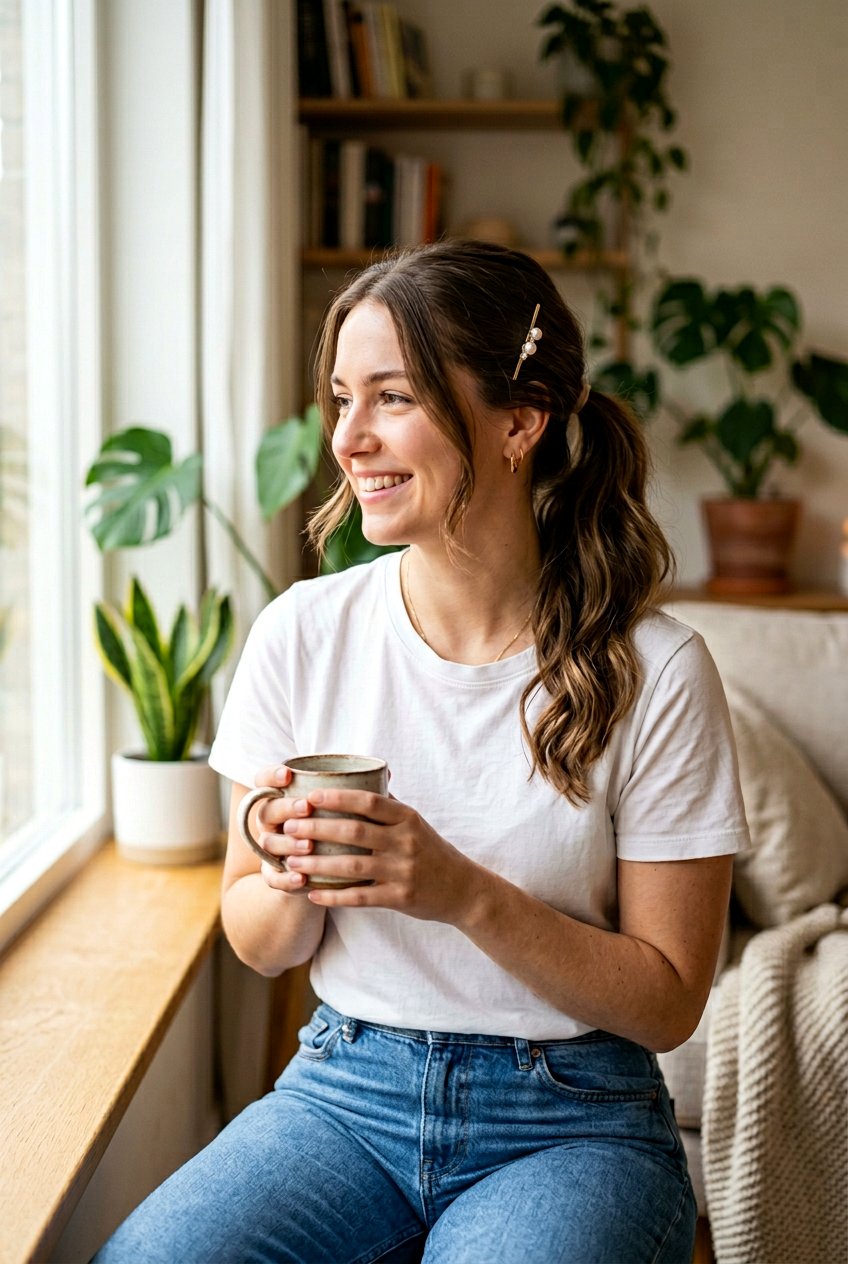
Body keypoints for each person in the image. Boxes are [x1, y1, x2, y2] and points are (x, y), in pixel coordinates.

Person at [95, 240, 748, 1263]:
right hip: (344, 1092)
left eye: (389, 396)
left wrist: (459, 891)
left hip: (570, 1119)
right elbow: (258, 940)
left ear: (517, 424)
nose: (347, 438)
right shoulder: (300, 633)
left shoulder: (657, 671)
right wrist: (287, 865)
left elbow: (665, 1002)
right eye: (340, 399)